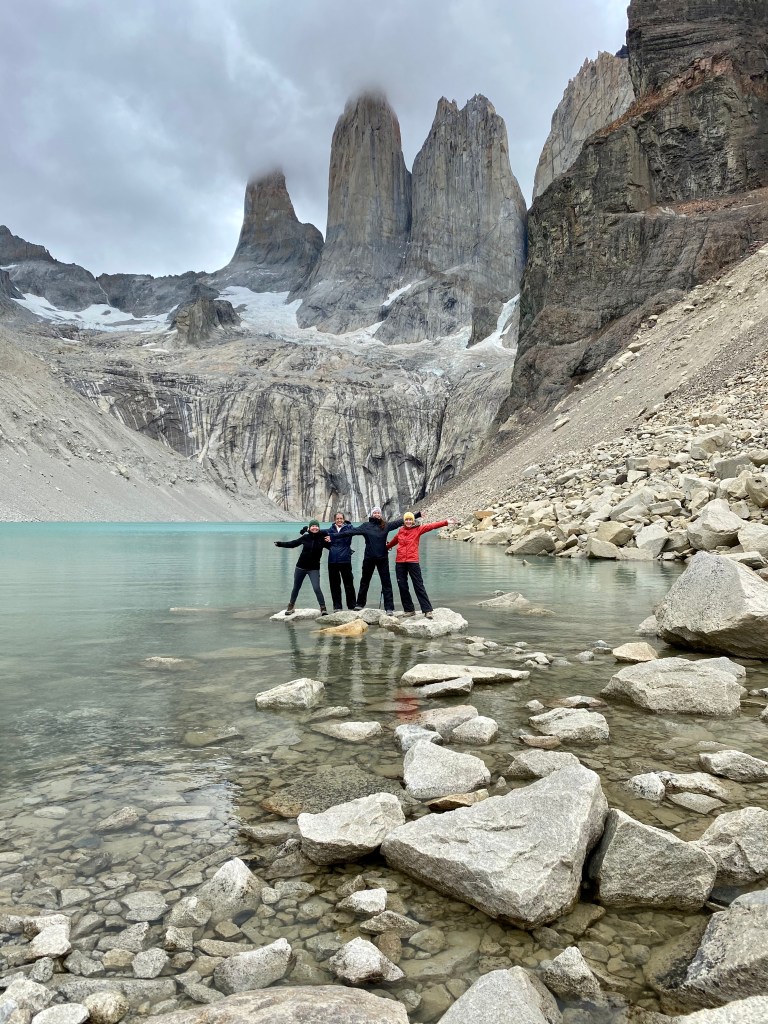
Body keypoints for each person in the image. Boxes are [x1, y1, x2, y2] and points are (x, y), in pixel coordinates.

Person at [347, 506, 417, 614]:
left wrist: (417, 515)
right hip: (369, 558)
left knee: (386, 582)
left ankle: (389, 608)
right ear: (372, 514)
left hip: (382, 559)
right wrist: (333, 535)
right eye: (375, 513)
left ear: (380, 514)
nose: (377, 514)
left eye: (378, 513)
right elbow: (351, 532)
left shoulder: (385, 526)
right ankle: (359, 604)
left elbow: (400, 522)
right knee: (365, 581)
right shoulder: (366, 526)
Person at [387, 511, 457, 617]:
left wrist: (446, 522)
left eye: (410, 519)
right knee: (402, 586)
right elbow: (394, 541)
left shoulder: (418, 529)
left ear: (413, 521)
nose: (408, 521)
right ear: (404, 521)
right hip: (400, 562)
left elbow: (431, 526)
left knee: (418, 585)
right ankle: (409, 610)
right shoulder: (401, 531)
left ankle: (427, 610)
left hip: (413, 562)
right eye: (406, 520)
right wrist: (386, 547)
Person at [273, 520, 330, 615]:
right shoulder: (305, 537)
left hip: (314, 569)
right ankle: (291, 606)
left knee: (316, 588)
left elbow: (333, 547)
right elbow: (293, 544)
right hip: (300, 567)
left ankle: (323, 608)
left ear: (319, 528)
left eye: (316, 526)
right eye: (312, 526)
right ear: (310, 528)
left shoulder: (322, 539)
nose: (314, 527)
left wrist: (347, 551)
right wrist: (280, 544)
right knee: (296, 587)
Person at [326, 510, 356, 611]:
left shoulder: (349, 529)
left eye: (341, 518)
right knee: (334, 585)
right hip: (332, 561)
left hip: (345, 560)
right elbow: (319, 535)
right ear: (334, 520)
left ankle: (352, 606)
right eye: (337, 519)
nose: (339, 520)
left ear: (344, 520)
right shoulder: (330, 530)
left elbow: (361, 531)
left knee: (349, 584)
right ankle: (337, 606)